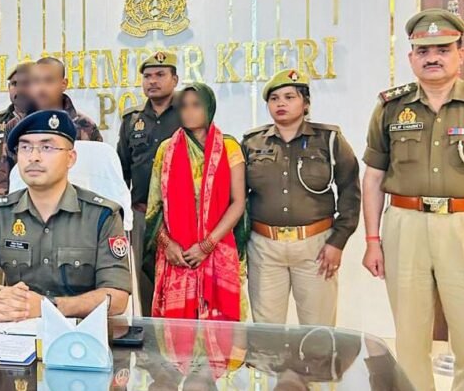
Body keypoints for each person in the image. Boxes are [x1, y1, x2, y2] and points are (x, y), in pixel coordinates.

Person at [361, 8, 464, 391]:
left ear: (461, 54)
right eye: (423, 50)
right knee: (409, 337)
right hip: (404, 225)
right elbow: (374, 178)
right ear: (411, 57)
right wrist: (372, 240)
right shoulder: (389, 107)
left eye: (443, 49)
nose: (432, 57)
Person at [0, 110, 131, 320]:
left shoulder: (102, 216)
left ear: (70, 158)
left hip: (79, 333)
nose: (33, 157)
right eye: (25, 147)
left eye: (46, 147)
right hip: (16, 331)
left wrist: (48, 308)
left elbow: (117, 298)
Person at [242, 69, 360, 326]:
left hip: (316, 247)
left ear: (305, 103)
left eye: (289, 97)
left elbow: (350, 192)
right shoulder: (252, 143)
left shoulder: (329, 140)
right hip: (264, 247)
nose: (281, 104)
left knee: (318, 328)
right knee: (267, 329)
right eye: (274, 99)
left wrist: (338, 241)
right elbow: (238, 197)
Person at [144, 83, 247, 321]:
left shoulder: (229, 147)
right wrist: (167, 244)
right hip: (176, 255)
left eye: (196, 105)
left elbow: (238, 202)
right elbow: (154, 208)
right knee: (178, 332)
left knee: (222, 330)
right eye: (183, 106)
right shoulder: (166, 149)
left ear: (209, 107)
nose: (189, 112)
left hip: (217, 248)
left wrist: (206, 245)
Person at [116, 50, 181, 315]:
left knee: (182, 282)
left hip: (181, 216)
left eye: (160, 75)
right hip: (142, 214)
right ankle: (151, 335)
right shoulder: (132, 120)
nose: (152, 81)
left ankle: (183, 336)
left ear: (175, 80)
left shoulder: (188, 113)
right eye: (147, 76)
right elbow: (122, 170)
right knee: (145, 282)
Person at [0, 56, 103, 194]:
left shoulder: (86, 126)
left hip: (76, 202)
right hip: (27, 203)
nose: (41, 88)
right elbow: (4, 176)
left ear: (63, 84)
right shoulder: (16, 126)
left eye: (48, 81)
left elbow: (98, 174)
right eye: (36, 81)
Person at [0, 61, 34, 175]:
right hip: (4, 184)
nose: (20, 89)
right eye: (14, 84)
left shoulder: (48, 119)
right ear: (8, 88)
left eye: (26, 83)